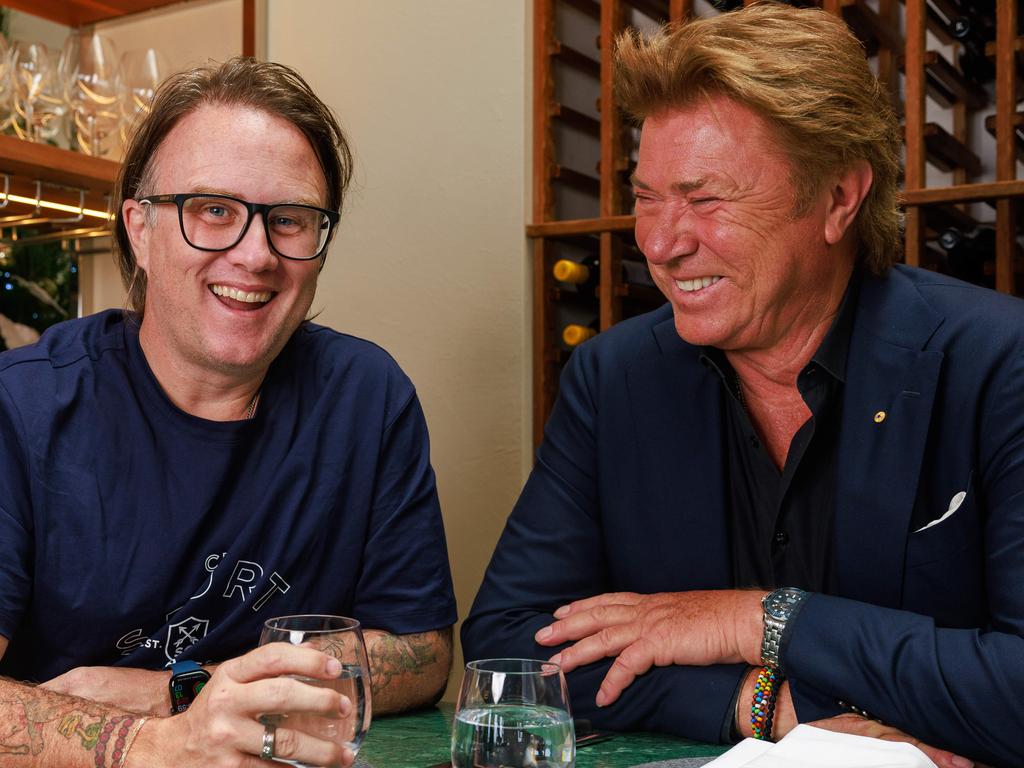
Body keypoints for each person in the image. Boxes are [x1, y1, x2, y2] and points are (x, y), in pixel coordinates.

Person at [462, 4, 1024, 768]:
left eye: (705, 197)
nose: (661, 242)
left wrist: (761, 620)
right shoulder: (612, 377)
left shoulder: (1000, 362)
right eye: (648, 195)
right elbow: (509, 647)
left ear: (837, 198)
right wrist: (765, 704)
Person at [0, 57, 456, 767]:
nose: (255, 254)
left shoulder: (367, 396)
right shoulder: (20, 408)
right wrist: (152, 746)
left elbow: (423, 652)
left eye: (289, 220)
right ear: (140, 230)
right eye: (212, 210)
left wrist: (180, 691)